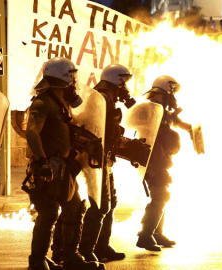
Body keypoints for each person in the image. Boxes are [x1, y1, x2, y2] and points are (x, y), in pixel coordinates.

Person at [24, 57, 104, 270]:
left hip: (63, 167)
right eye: (71, 76)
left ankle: (70, 256)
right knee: (49, 213)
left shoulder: (61, 104)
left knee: (75, 208)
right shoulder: (42, 102)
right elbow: (32, 132)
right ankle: (37, 261)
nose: (74, 81)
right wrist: (42, 162)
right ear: (62, 78)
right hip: (49, 167)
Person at [76, 64, 137, 263]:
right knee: (99, 205)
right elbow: (99, 129)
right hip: (95, 159)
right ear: (116, 81)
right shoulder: (100, 99)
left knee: (110, 204)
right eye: (124, 82)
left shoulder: (107, 99)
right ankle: (86, 249)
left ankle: (101, 246)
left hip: (105, 159)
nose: (126, 87)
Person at [136, 75, 192, 251]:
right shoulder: (148, 110)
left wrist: (192, 130)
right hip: (151, 161)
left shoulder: (162, 111)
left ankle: (157, 233)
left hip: (161, 161)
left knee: (162, 195)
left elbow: (178, 123)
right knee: (160, 196)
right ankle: (145, 235)